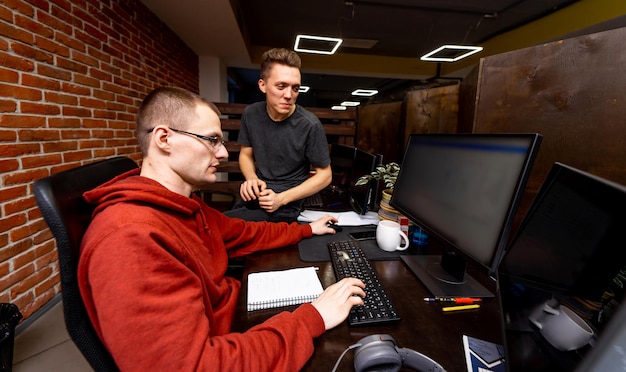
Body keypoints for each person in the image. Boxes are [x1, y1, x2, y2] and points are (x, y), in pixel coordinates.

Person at [78, 86, 365, 371]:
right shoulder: (129, 239)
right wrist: (312, 318)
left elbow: (244, 232)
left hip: (232, 323)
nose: (224, 153)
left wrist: (306, 231)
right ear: (164, 138)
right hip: (224, 347)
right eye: (212, 140)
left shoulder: (184, 206)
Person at [224, 48, 332, 222]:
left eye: (295, 88)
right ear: (262, 85)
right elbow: (245, 154)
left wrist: (281, 199)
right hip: (259, 193)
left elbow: (325, 175)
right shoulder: (251, 114)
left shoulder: (310, 124)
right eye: (281, 86)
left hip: (288, 202)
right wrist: (251, 179)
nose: (289, 95)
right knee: (214, 222)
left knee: (225, 226)